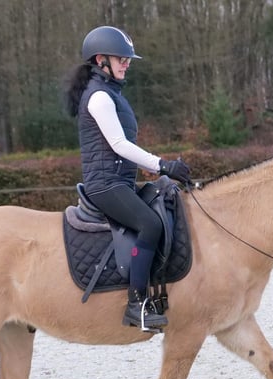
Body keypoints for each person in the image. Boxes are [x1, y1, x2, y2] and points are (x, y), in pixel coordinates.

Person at [64, 25, 192, 331]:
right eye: (121, 58)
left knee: (164, 199)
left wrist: (163, 173)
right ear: (100, 60)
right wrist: (163, 164)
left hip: (118, 181)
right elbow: (119, 145)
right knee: (149, 224)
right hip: (105, 185)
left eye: (128, 58)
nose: (127, 62)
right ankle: (137, 304)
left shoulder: (111, 93)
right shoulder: (99, 98)